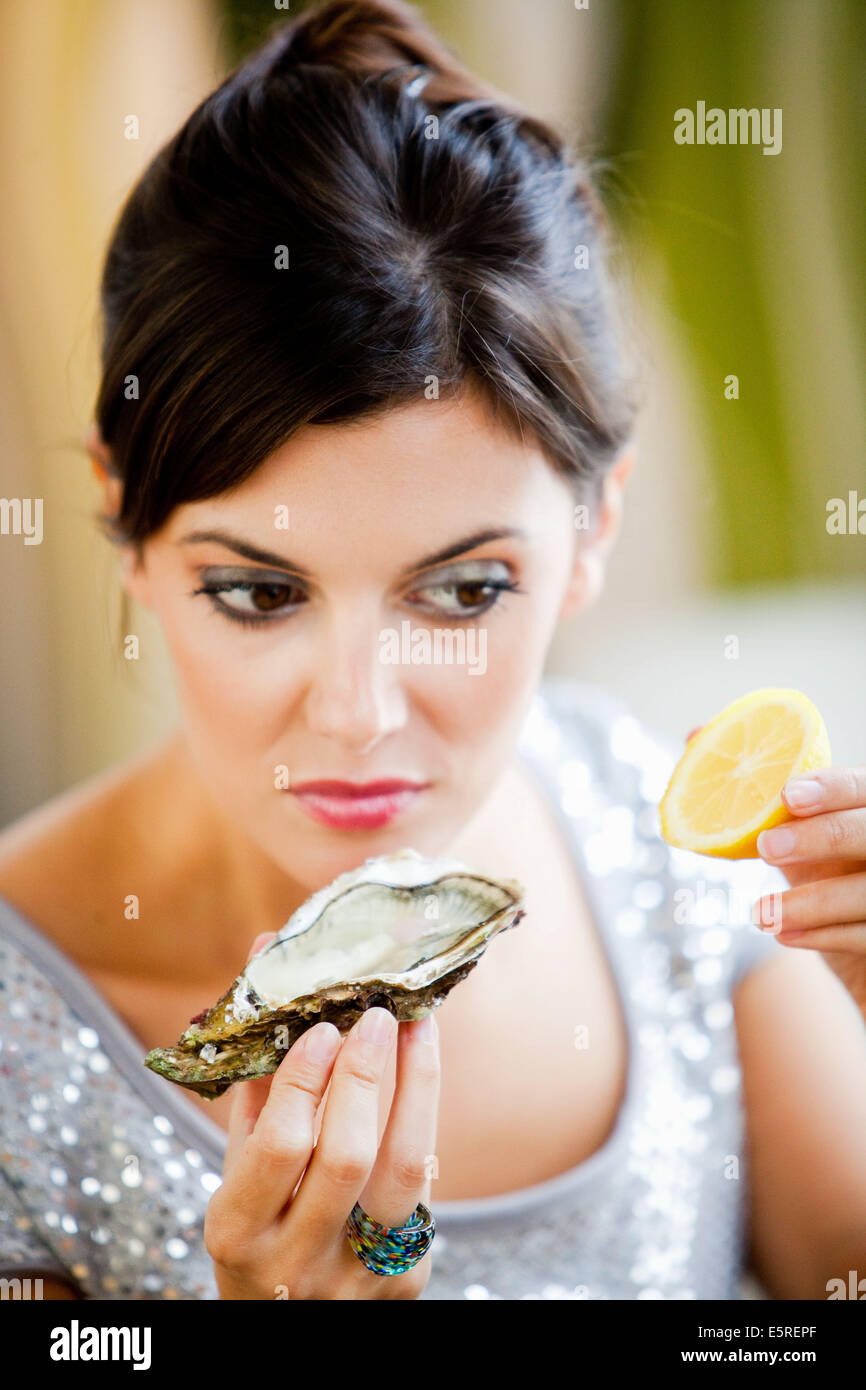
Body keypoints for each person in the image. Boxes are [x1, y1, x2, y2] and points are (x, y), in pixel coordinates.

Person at [1, 0, 865, 1302]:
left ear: (593, 528)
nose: (355, 715)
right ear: (124, 518)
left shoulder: (656, 846)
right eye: (255, 592)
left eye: (463, 587)